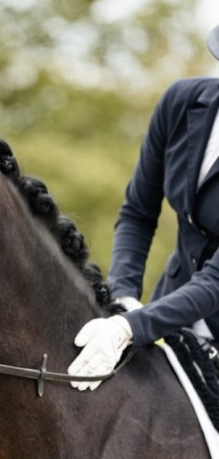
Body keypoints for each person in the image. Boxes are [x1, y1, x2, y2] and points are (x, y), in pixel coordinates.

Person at [68, 24, 219, 391]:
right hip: (169, 311)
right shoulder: (182, 103)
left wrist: (130, 328)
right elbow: (138, 212)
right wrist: (122, 298)